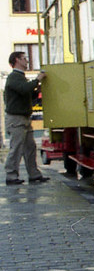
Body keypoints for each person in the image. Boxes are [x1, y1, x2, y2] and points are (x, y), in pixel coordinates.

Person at [4, 52, 49, 185]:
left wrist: (35, 90)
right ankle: (11, 176)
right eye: (24, 58)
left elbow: (26, 93)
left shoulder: (20, 77)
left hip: (23, 118)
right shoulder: (14, 77)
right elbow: (24, 89)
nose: (27, 61)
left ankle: (34, 174)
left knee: (30, 147)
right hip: (16, 119)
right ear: (17, 60)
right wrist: (38, 79)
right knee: (16, 147)